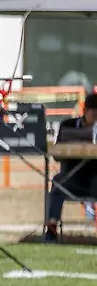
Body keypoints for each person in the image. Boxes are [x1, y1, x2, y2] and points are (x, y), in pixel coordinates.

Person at [45, 93, 97, 241]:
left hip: (95, 180)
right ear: (85, 112)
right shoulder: (67, 126)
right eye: (92, 115)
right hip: (72, 179)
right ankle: (51, 228)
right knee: (57, 182)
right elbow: (57, 155)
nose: (94, 120)